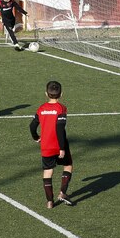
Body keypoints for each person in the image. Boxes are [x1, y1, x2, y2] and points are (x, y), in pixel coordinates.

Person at [29, 81, 74, 209]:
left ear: (46, 94)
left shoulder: (41, 108)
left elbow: (32, 125)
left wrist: (36, 137)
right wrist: (61, 148)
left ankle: (49, 202)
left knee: (48, 171)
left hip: (46, 145)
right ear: (61, 94)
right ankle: (63, 193)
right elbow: (60, 129)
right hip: (60, 144)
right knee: (68, 165)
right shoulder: (61, 108)